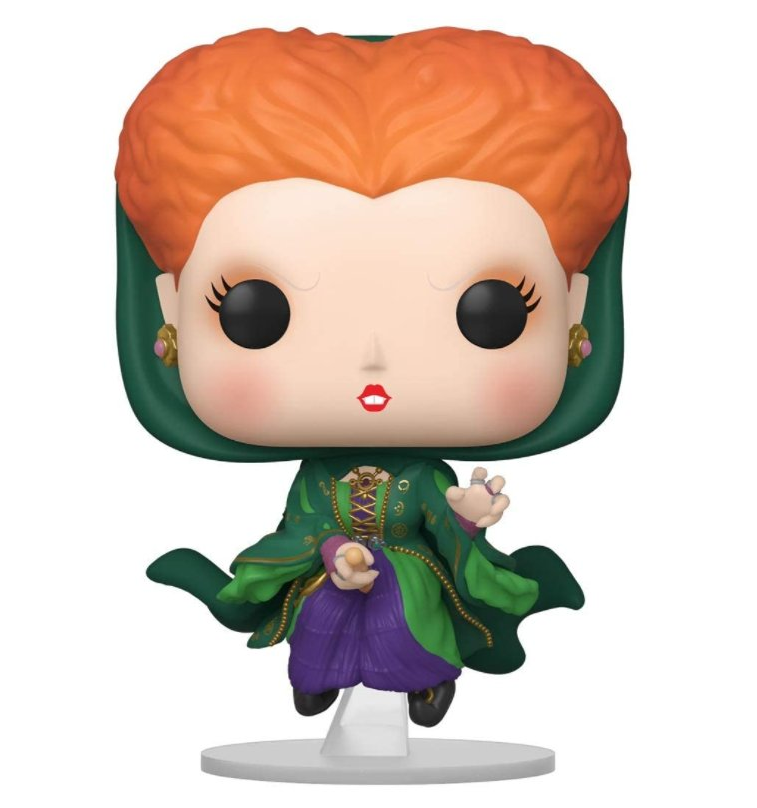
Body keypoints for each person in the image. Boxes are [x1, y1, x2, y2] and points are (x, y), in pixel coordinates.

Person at [116, 26, 630, 727]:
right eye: (254, 313)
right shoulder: (317, 481)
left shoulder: (423, 477)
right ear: (168, 311)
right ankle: (317, 678)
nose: (373, 359)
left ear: (576, 311)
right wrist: (334, 548)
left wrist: (465, 518)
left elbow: (442, 524)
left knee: (407, 615)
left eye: (491, 313)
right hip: (332, 567)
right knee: (324, 613)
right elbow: (301, 525)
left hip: (413, 571)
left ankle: (425, 682)